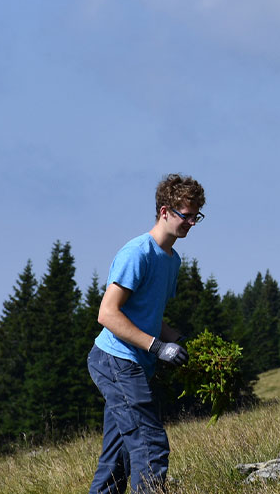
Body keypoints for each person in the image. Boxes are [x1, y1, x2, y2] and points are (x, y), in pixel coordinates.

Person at [88, 174, 205, 494]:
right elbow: (108, 313)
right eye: (186, 214)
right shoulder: (137, 252)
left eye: (197, 216)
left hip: (135, 363)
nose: (192, 222)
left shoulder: (172, 260)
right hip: (115, 359)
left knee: (118, 458)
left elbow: (149, 315)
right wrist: (157, 347)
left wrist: (177, 341)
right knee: (151, 446)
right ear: (165, 211)